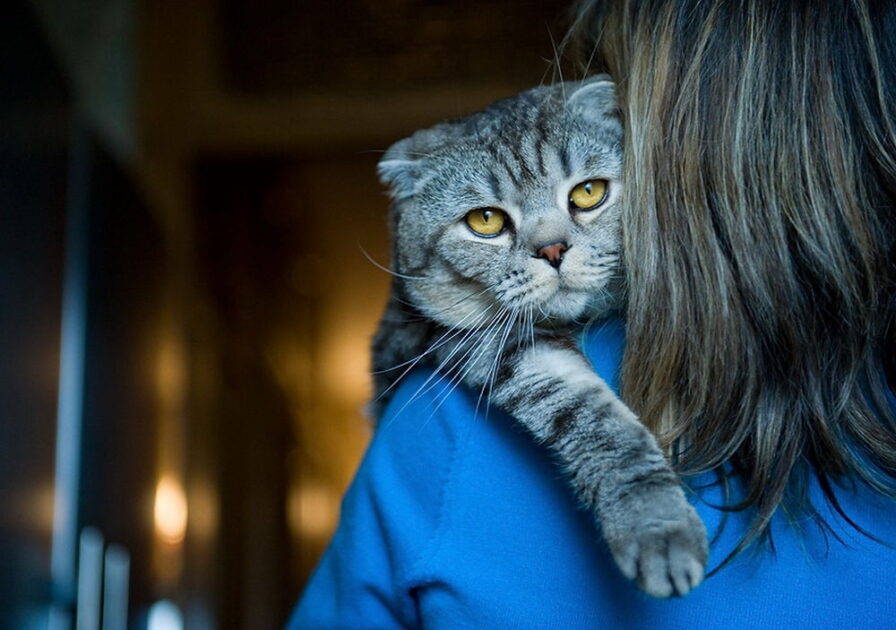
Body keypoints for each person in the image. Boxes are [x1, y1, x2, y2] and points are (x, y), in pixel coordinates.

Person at [286, 1, 896, 627]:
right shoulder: (444, 418)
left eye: (588, 194)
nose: (552, 250)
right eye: (488, 219)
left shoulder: (445, 436)